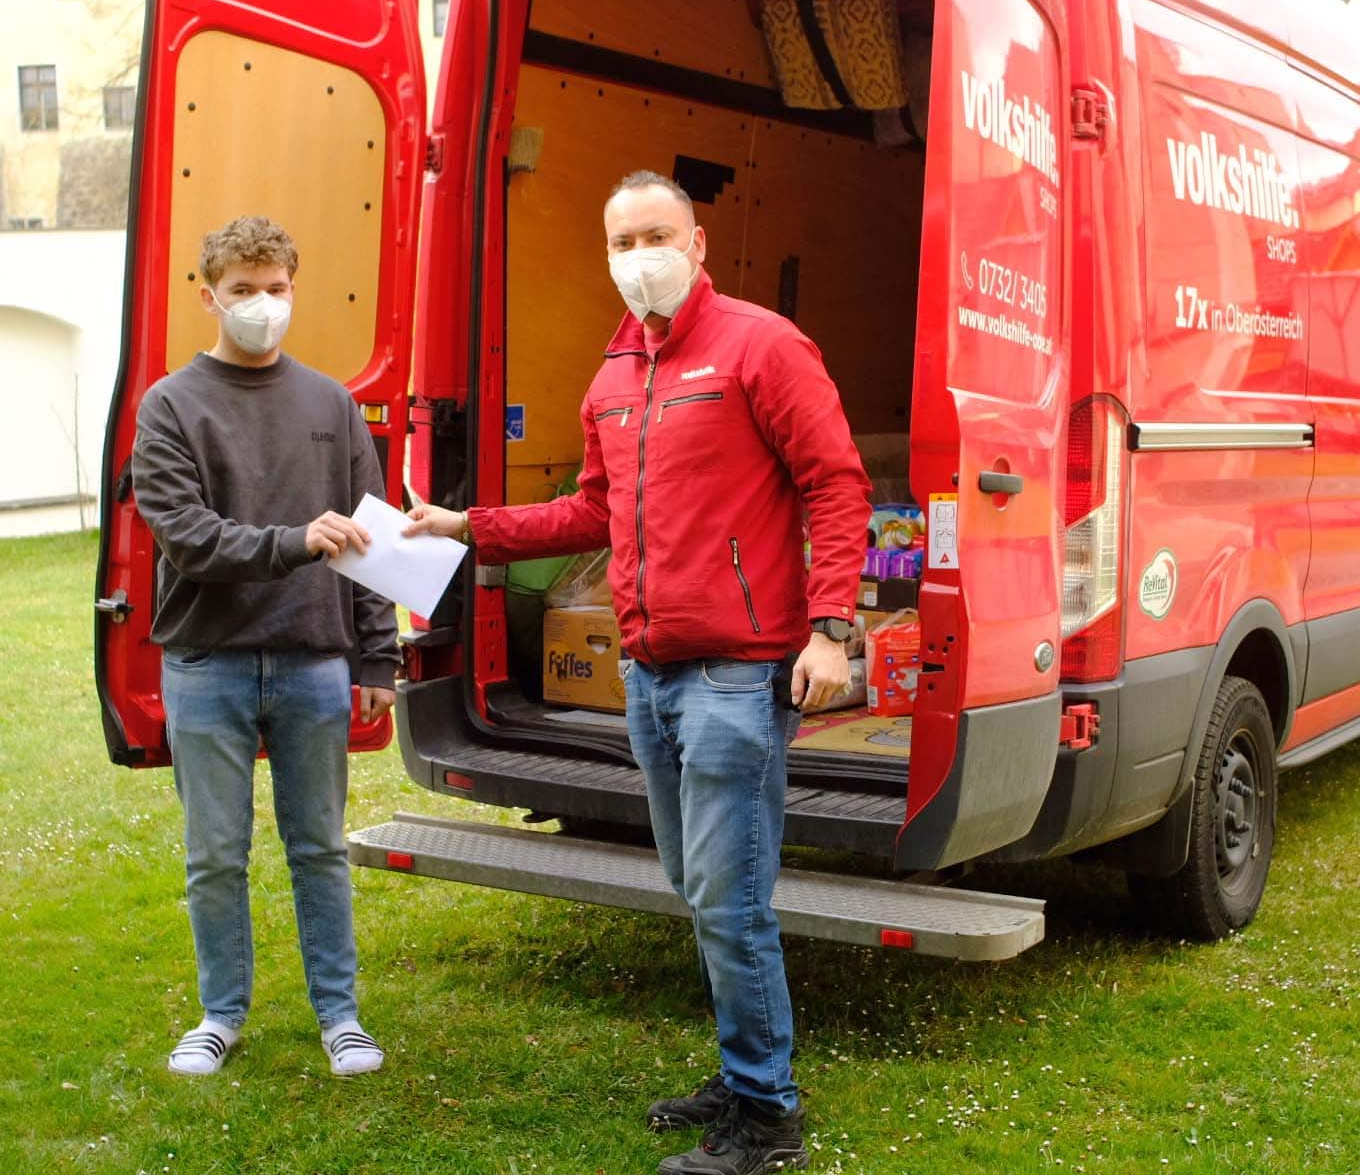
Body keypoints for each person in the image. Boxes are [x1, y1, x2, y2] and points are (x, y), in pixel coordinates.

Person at [405, 170, 871, 1173]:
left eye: (656, 235)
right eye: (621, 242)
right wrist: (466, 526)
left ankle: (767, 1113)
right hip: (650, 674)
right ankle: (748, 1067)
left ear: (698, 244)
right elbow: (589, 511)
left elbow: (835, 483)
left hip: (737, 674)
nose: (639, 257)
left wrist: (831, 628)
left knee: (729, 890)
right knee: (695, 880)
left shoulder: (761, 345)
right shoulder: (617, 372)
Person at [133, 215, 399, 1078]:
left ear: (295, 289)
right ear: (207, 295)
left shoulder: (331, 403)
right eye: (242, 291)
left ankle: (340, 1015)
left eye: (275, 289)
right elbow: (185, 537)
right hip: (206, 662)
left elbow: (373, 538)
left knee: (318, 846)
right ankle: (220, 1013)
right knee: (215, 852)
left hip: (313, 660)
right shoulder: (169, 405)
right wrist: (293, 541)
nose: (260, 306)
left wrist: (378, 657)